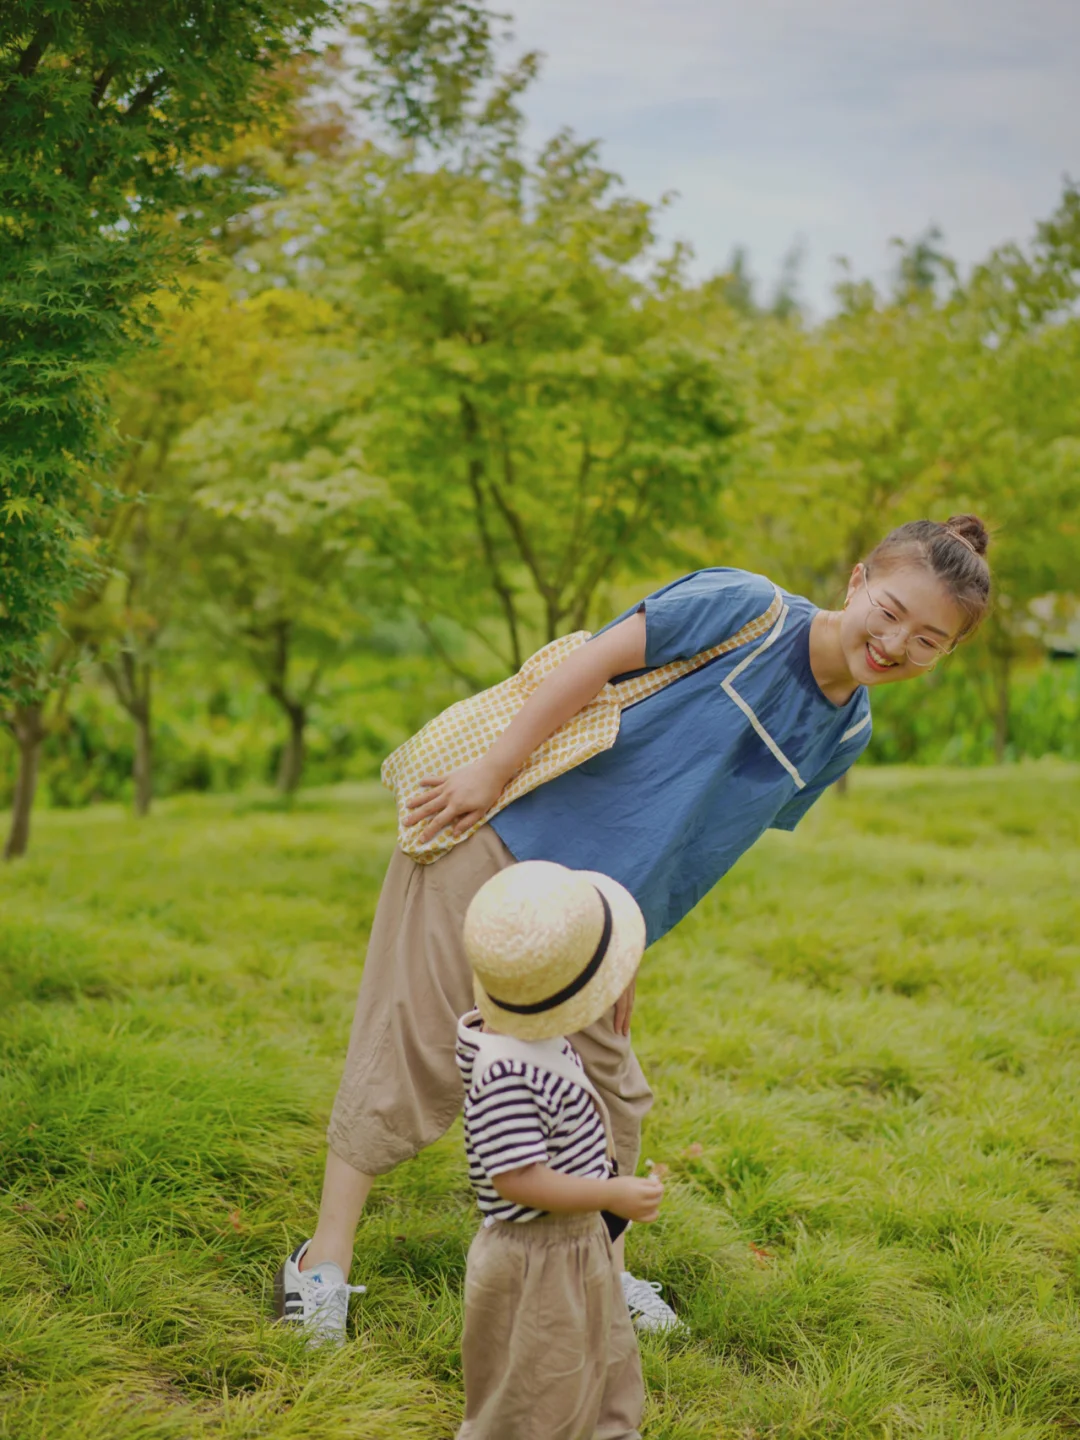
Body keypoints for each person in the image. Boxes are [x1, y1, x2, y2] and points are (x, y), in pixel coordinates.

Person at [274, 514, 992, 1343]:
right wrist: (491, 769)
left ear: (947, 654)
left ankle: (599, 1277)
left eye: (930, 640)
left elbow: (698, 836)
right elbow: (595, 658)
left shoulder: (847, 732)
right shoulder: (746, 606)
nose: (897, 643)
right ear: (859, 580)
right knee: (414, 1044)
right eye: (892, 610)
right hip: (502, 829)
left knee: (610, 1095)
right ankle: (321, 1262)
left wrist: (627, 945)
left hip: (590, 919)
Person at [454, 860, 662, 1440]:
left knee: (606, 1359)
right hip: (535, 1259)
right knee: (538, 1390)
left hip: (578, 1243)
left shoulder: (537, 1035)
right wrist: (611, 1192)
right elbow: (515, 1180)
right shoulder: (505, 1071)